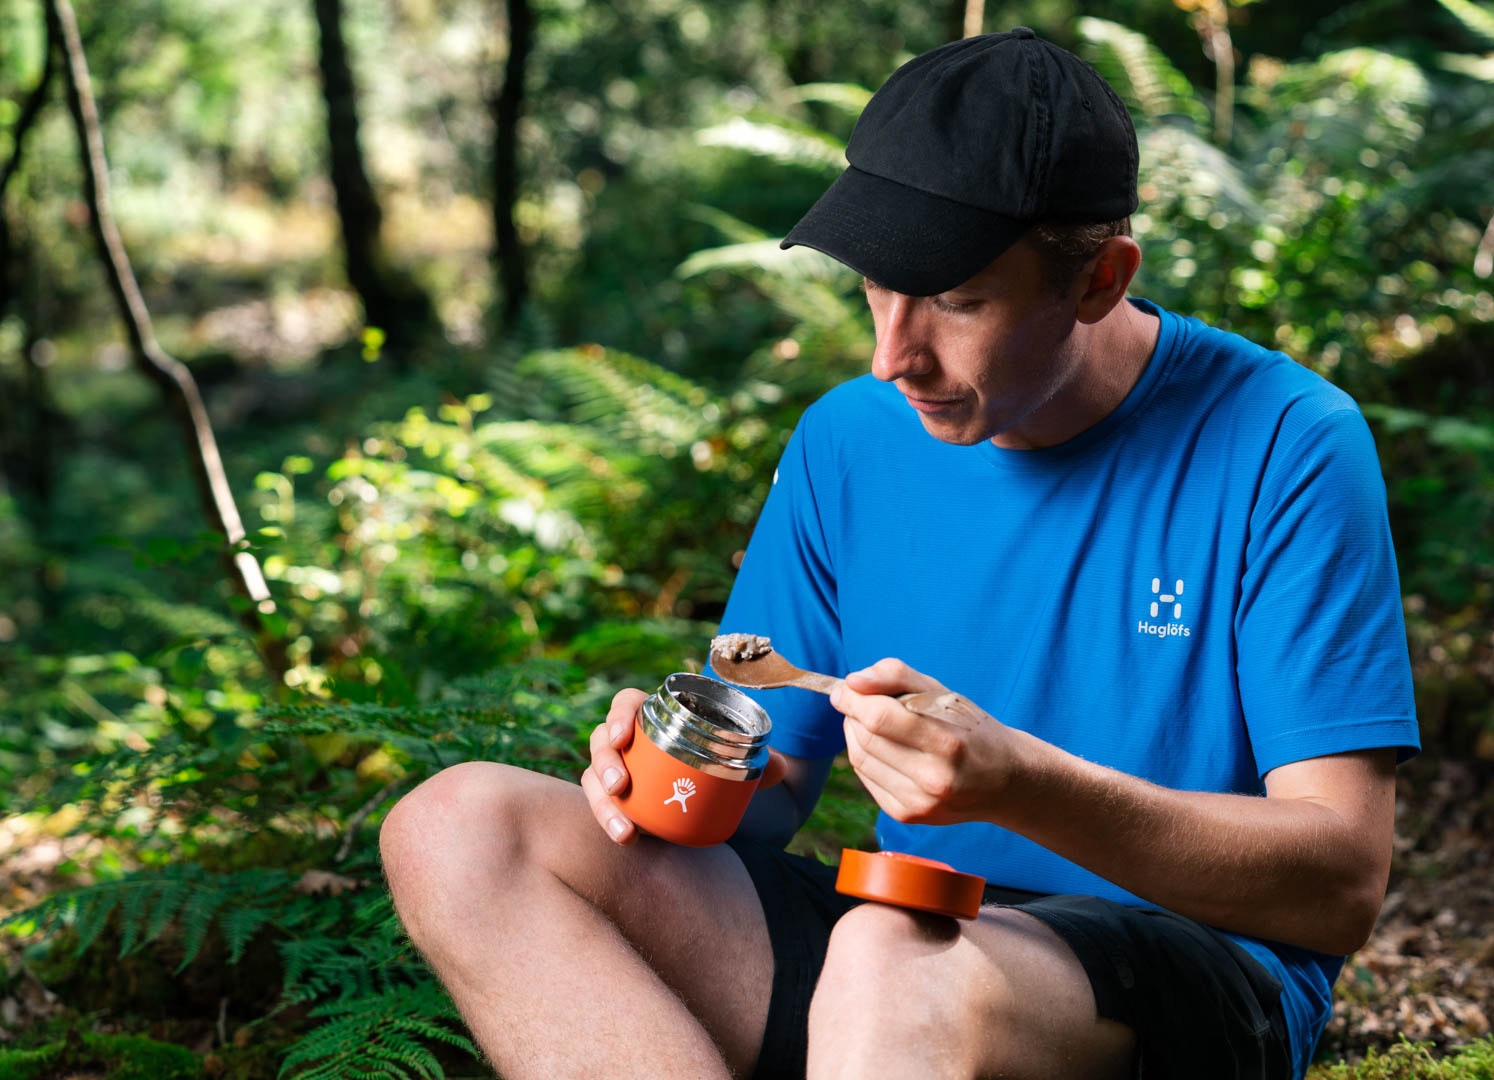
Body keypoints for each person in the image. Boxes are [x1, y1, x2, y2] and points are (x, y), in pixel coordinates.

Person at [379, 27, 1419, 1080]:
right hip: (901, 956)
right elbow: (774, 777)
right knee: (458, 829)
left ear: (1100, 279)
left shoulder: (1286, 441)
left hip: (1177, 966)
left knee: (888, 957)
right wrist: (681, 759)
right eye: (876, 287)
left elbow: (1337, 885)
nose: (893, 356)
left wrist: (1025, 786)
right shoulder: (848, 438)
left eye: (957, 301)